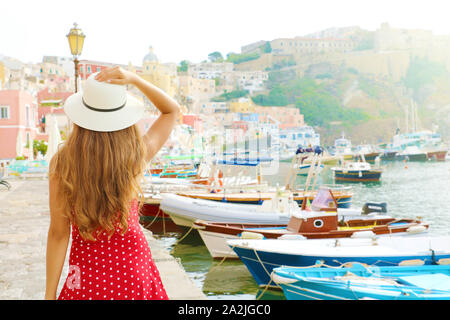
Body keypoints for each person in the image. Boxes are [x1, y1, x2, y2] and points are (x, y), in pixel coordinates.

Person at [45, 66, 180, 300]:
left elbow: (58, 234)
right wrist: (136, 80)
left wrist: (49, 295)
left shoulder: (62, 164)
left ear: (81, 116)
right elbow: (171, 111)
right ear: (123, 116)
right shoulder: (135, 155)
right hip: (134, 274)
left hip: (87, 280)